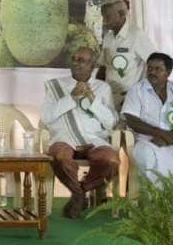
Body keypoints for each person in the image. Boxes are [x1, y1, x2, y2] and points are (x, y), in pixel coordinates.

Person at [41, 47, 119, 218]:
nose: (77, 63)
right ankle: (79, 195)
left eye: (82, 60)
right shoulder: (55, 85)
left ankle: (80, 191)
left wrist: (93, 100)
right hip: (64, 138)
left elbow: (111, 122)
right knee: (59, 157)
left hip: (94, 139)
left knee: (111, 161)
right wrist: (70, 98)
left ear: (93, 65)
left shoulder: (102, 88)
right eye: (74, 59)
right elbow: (46, 117)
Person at [122, 52, 173, 187]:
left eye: (158, 69)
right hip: (148, 141)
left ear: (168, 72)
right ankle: (156, 206)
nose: (152, 72)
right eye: (149, 68)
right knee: (146, 157)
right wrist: (160, 133)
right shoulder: (137, 90)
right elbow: (131, 120)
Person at [97, 0, 156, 110]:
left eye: (107, 16)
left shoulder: (136, 35)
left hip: (129, 99)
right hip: (109, 97)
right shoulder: (108, 37)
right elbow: (103, 67)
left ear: (121, 14)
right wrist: (96, 90)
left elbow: (155, 65)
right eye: (103, 16)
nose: (104, 21)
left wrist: (144, 95)